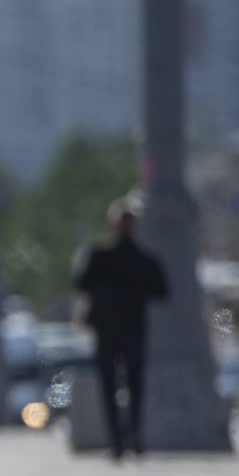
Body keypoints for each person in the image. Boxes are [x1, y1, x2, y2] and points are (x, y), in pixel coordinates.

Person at [74, 197, 170, 460]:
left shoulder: (101, 255)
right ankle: (134, 437)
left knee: (111, 388)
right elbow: (161, 290)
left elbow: (81, 283)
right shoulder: (142, 258)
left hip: (108, 331)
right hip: (132, 330)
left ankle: (119, 442)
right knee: (135, 386)